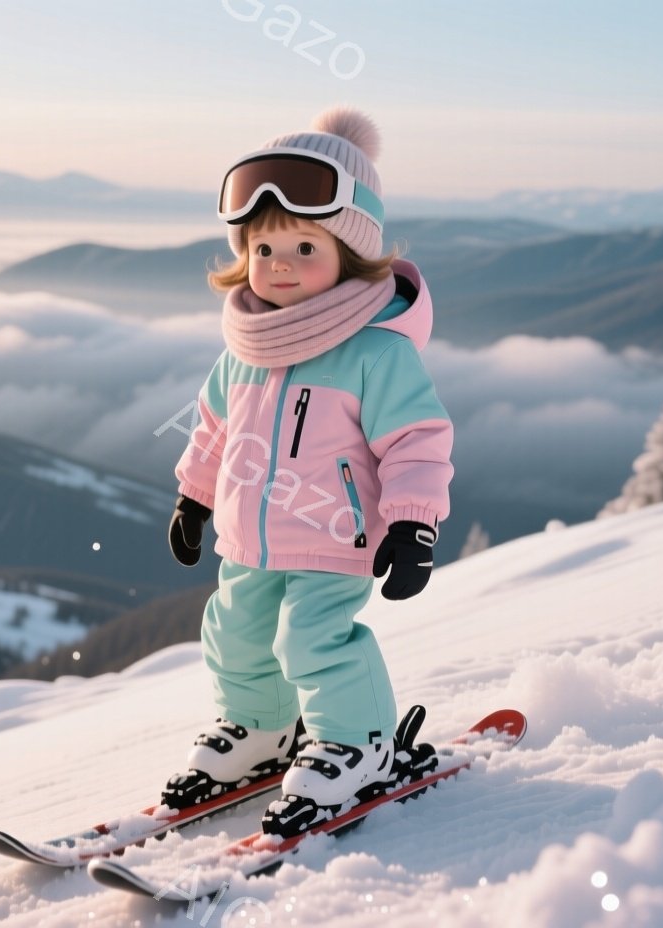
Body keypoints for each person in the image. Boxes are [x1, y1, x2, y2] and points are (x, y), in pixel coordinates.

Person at [162, 104, 455, 834]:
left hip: (334, 533)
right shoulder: (246, 349)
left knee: (314, 640)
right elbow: (215, 429)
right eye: (264, 250)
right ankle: (262, 727)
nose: (280, 267)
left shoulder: (375, 353)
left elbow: (417, 441)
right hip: (250, 537)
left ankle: (356, 743)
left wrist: (414, 524)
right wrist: (194, 498)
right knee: (234, 630)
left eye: (303, 247)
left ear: (351, 255)